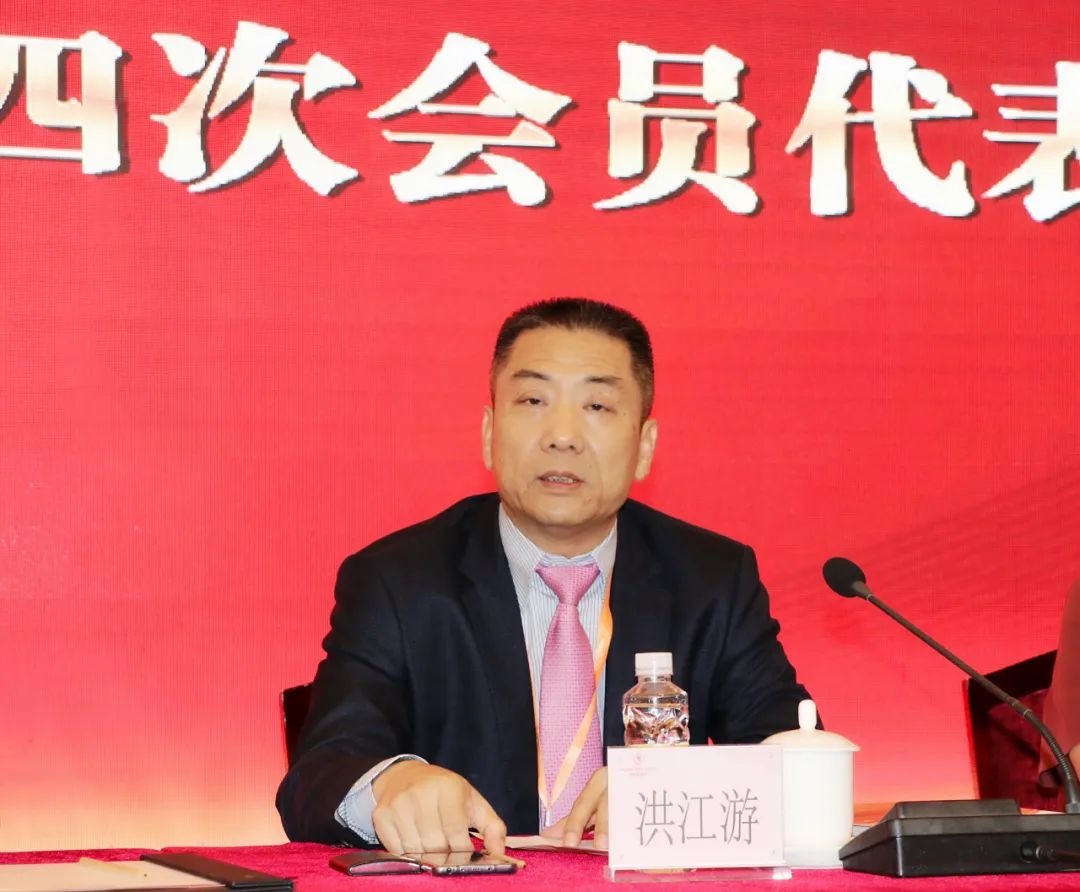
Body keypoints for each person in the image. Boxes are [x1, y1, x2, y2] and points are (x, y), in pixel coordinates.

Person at [276, 298, 810, 856]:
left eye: (597, 406)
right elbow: (318, 774)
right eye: (533, 401)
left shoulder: (712, 581)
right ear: (489, 432)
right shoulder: (398, 581)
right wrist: (391, 782)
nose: (562, 436)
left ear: (644, 447)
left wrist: (676, 788)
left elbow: (796, 753)